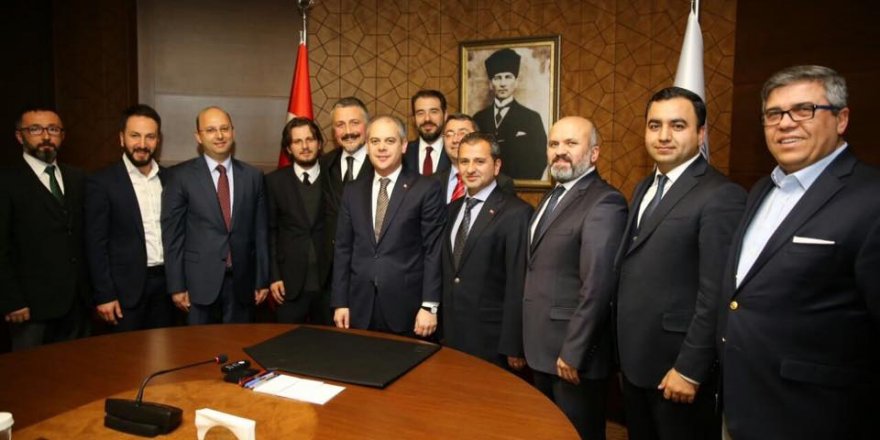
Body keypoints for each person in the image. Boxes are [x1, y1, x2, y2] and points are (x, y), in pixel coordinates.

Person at [720, 65, 880, 440]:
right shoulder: (762, 189)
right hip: (742, 401)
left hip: (817, 415)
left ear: (841, 119)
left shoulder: (870, 198)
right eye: (774, 114)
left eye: (804, 110)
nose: (786, 123)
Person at [615, 87, 746, 440]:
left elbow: (716, 293)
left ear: (701, 134)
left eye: (677, 125)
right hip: (636, 362)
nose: (663, 136)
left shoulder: (721, 195)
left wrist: (690, 369)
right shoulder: (644, 187)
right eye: (654, 125)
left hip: (678, 369)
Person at [523, 116, 627, 440]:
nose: (560, 151)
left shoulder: (605, 202)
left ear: (594, 153)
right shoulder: (553, 197)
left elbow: (598, 286)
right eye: (554, 144)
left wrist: (574, 352)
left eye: (571, 143)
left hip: (571, 357)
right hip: (541, 349)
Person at [331, 115, 445, 337]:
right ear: (367, 146)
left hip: (407, 309)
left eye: (390, 141)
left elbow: (433, 250)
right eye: (375, 141)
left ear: (403, 145)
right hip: (359, 306)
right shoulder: (353, 190)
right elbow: (343, 249)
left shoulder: (425, 188)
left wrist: (429, 305)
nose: (381, 148)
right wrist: (340, 302)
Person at [161, 106, 269, 324]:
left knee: (240, 343)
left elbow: (260, 232)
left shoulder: (253, 176)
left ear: (233, 132)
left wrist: (262, 279)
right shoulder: (179, 177)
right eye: (210, 130)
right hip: (197, 285)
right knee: (199, 343)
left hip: (242, 283)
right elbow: (173, 236)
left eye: (224, 129)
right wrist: (177, 285)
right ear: (198, 137)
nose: (219, 135)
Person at [0, 106, 90, 350]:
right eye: (36, 129)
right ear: (20, 136)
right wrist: (11, 300)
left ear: (62, 135)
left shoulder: (78, 178)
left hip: (77, 304)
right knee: (32, 371)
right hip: (30, 308)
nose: (46, 136)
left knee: (79, 367)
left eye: (53, 129)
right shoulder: (6, 182)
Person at [441, 132, 531, 369]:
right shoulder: (451, 210)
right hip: (451, 334)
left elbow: (518, 281)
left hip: (491, 339)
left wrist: (514, 344)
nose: (470, 169)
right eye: (464, 161)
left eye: (479, 161)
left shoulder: (516, 213)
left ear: (497, 166)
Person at [84, 104, 176, 331]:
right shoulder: (102, 182)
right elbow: (95, 244)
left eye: (150, 137)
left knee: (167, 348)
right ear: (121, 138)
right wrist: (104, 294)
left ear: (158, 140)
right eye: (135, 135)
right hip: (125, 292)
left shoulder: (171, 179)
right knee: (128, 351)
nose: (142, 144)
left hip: (167, 288)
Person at [265, 117, 331, 324]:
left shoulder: (334, 178)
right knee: (287, 341)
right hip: (288, 284)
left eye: (310, 139)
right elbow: (270, 232)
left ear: (319, 143)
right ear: (288, 148)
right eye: (297, 141)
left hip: (328, 284)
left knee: (332, 341)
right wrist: (274, 276)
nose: (305, 146)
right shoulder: (273, 182)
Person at [473, 48, 547, 180]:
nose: (503, 84)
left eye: (508, 77)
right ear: (490, 84)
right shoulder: (478, 118)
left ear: (516, 82)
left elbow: (540, 158)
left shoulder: (531, 118)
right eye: (497, 78)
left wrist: (520, 183)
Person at [320, 97, 373, 250]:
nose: (348, 131)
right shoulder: (324, 164)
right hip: (332, 258)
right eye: (340, 125)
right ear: (333, 130)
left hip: (370, 257)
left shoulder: (383, 163)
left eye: (354, 123)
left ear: (367, 125)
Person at [437, 113, 515, 204]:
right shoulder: (433, 181)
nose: (455, 140)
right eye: (449, 134)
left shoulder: (502, 182)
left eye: (462, 133)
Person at [404, 90, 451, 176]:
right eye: (420, 113)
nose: (427, 119)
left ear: (445, 116)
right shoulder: (403, 153)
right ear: (414, 119)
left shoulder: (454, 151)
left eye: (433, 112)